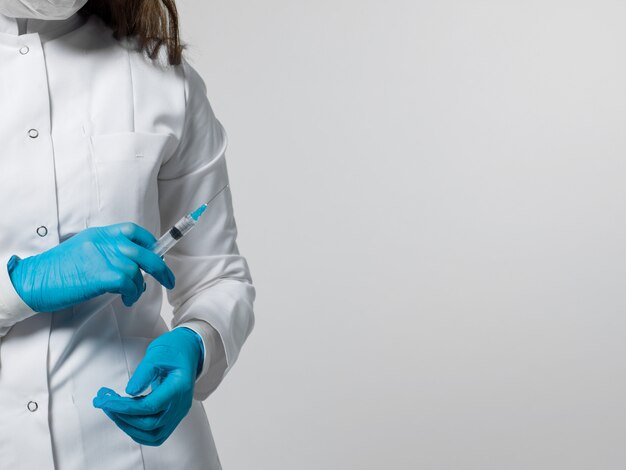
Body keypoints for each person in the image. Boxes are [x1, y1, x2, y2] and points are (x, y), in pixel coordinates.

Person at [0, 1, 256, 469]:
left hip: (139, 452)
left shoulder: (161, 78)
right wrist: (17, 288)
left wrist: (195, 345)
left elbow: (217, 276)